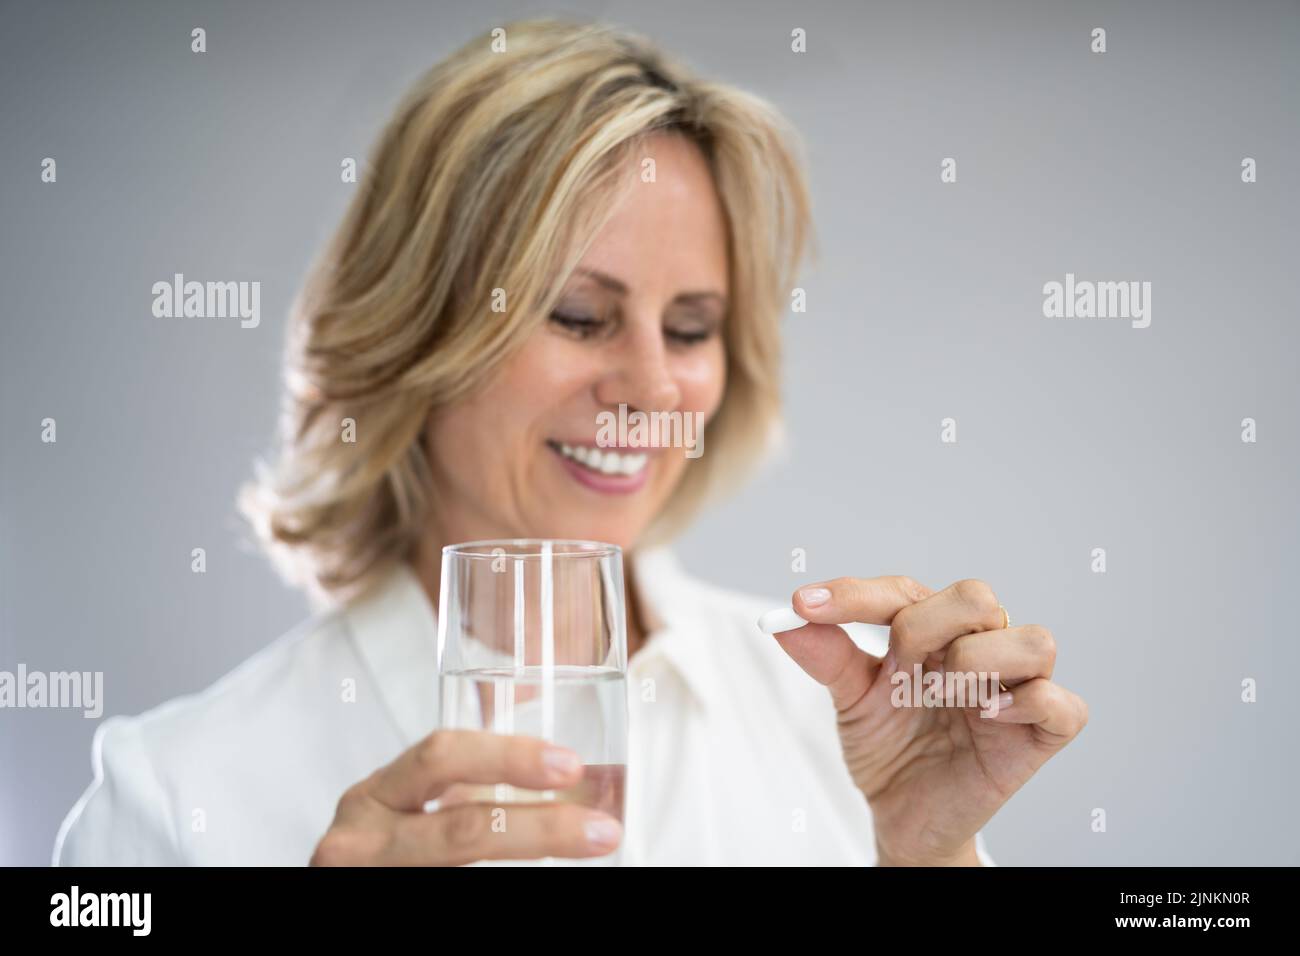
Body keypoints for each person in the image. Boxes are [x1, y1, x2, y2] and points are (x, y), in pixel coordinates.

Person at [54, 17, 1087, 867]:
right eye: (579, 314)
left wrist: (927, 859)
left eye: (690, 328)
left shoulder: (840, 724)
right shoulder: (173, 792)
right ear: (419, 326)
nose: (650, 385)